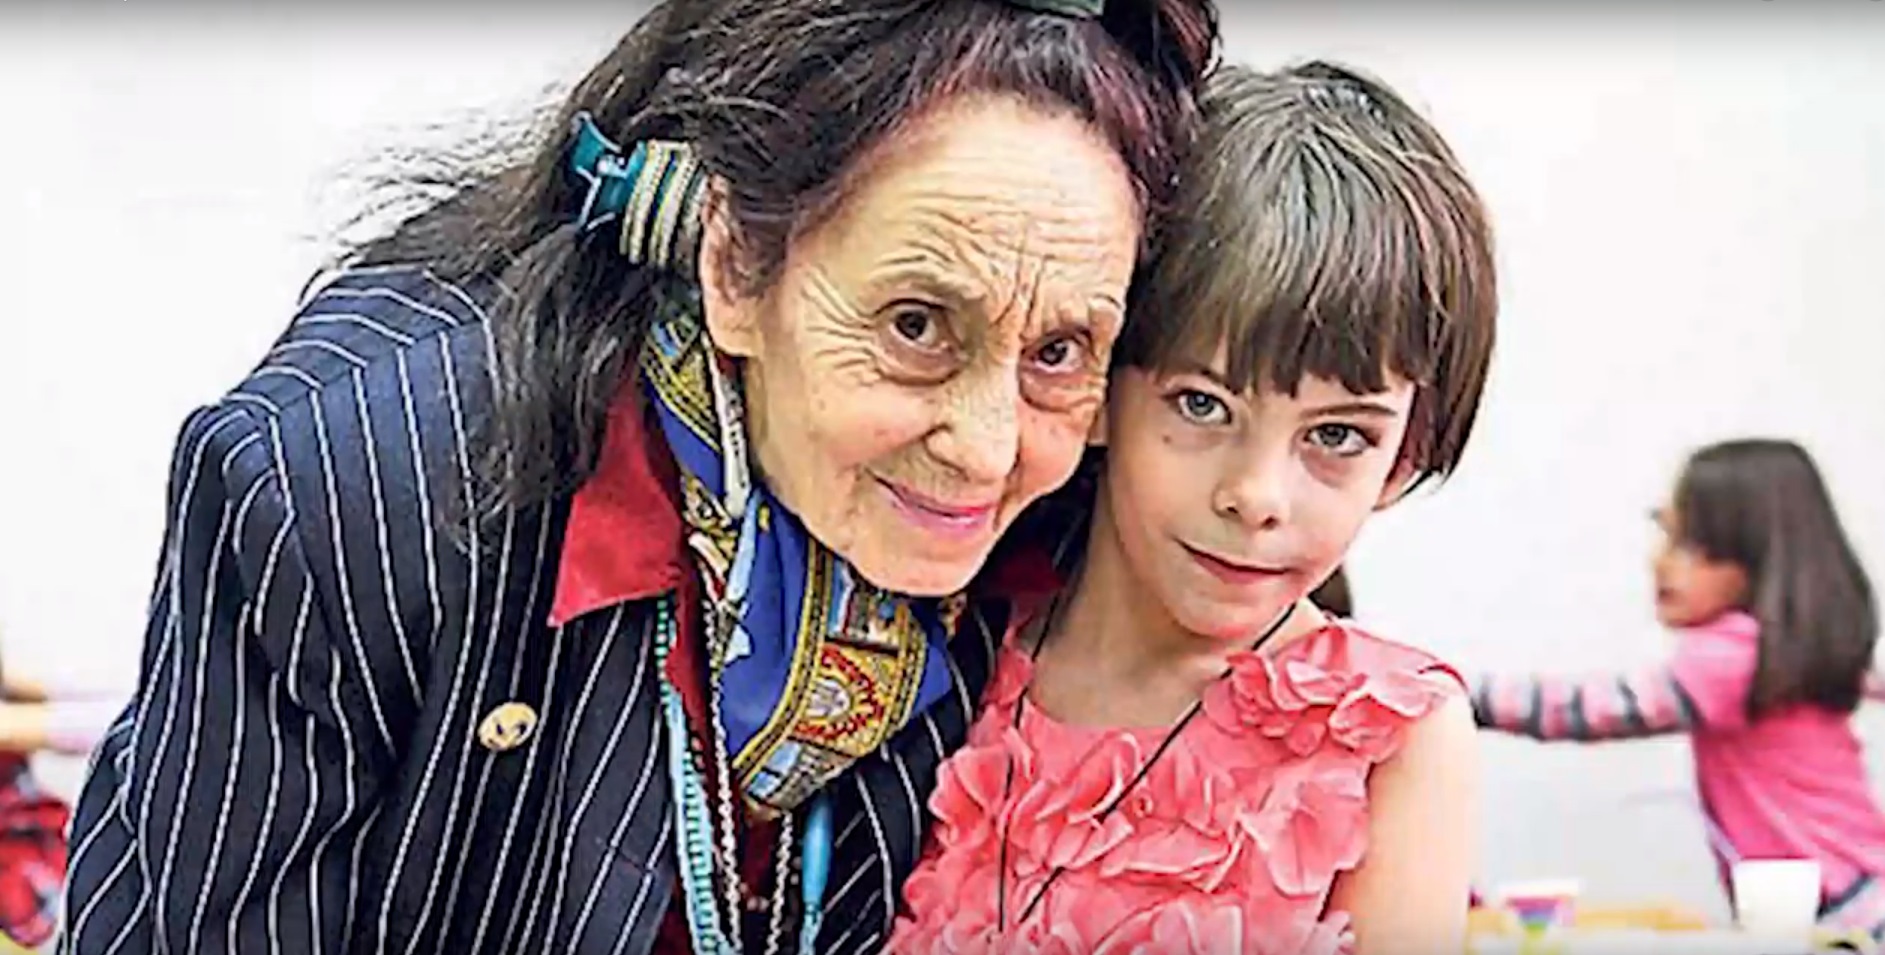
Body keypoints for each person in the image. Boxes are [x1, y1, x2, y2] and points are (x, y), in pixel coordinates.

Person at [58, 1, 1217, 952]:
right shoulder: (357, 491)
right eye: (916, 325)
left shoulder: (1084, 526)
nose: (989, 447)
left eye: (1058, 350)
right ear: (734, 266)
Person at [888, 61, 1499, 955]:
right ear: (1096, 385)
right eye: (1202, 404)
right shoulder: (944, 653)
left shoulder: (1392, 740)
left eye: (1337, 435)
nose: (1256, 496)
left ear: (1402, 455)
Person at [1474, 438, 1885, 940]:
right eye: (1666, 535)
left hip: (1841, 913)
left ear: (1759, 557)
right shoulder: (1792, 651)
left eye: (1691, 543)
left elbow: (1589, 709)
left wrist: (1455, 692)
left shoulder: (1731, 659)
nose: (1660, 561)